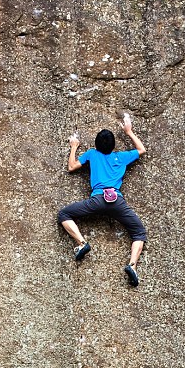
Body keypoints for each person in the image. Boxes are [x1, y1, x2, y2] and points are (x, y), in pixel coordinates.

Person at [58, 113, 148, 287]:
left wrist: (74, 146)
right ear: (113, 145)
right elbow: (141, 150)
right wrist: (129, 132)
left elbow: (71, 167)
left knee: (64, 214)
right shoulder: (121, 157)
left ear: (96, 145)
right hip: (117, 201)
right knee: (139, 233)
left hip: (97, 200)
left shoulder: (92, 154)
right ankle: (132, 265)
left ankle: (82, 243)